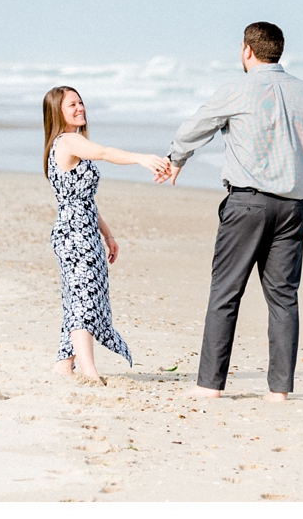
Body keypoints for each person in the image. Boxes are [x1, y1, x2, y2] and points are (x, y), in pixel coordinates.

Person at [162, 21, 303, 402]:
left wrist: (176, 158)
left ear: (247, 51)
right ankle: (279, 391)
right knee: (283, 297)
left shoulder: (236, 89)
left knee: (226, 292)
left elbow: (195, 127)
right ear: (278, 52)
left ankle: (209, 385)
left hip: (248, 203)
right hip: (294, 208)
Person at [42, 85, 171, 383]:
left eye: (80, 102)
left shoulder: (72, 143)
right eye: (72, 104)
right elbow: (103, 152)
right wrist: (141, 158)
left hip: (86, 228)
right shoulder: (67, 142)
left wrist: (108, 235)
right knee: (83, 296)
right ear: (57, 111)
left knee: (82, 295)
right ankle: (89, 370)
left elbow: (84, 199)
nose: (80, 108)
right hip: (74, 232)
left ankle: (65, 363)